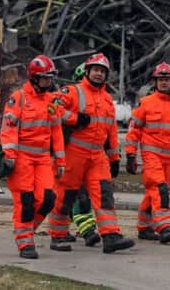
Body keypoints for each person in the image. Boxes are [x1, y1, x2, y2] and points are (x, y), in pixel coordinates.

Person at [48, 53, 135, 253]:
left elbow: (111, 131)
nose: (98, 74)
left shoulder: (106, 100)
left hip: (97, 157)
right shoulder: (72, 91)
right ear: (87, 72)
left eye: (102, 71)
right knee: (65, 196)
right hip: (73, 154)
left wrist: (114, 158)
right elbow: (52, 108)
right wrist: (74, 118)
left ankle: (110, 235)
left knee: (104, 195)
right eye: (96, 70)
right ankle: (59, 235)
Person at [124, 62, 170, 243]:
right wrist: (130, 155)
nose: (164, 82)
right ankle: (164, 227)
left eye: (167, 79)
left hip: (169, 159)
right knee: (160, 191)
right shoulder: (146, 103)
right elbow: (133, 131)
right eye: (161, 79)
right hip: (151, 157)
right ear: (155, 82)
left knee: (153, 193)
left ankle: (144, 227)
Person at [0, 55, 65, 259]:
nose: (49, 82)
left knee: (47, 199)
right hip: (22, 158)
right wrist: (10, 155)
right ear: (35, 78)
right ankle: (25, 242)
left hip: (43, 159)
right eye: (46, 78)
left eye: (50, 78)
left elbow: (56, 131)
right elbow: (8, 128)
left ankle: (28, 229)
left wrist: (61, 160)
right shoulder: (18, 98)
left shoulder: (51, 100)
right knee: (25, 200)